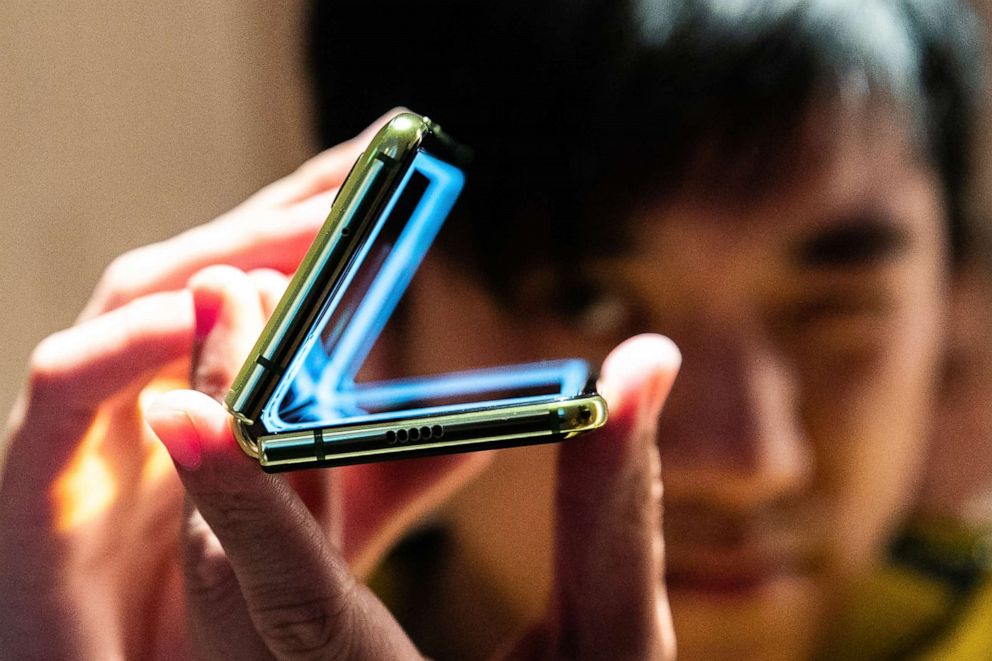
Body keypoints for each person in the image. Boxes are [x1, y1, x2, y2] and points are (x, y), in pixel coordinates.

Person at [0, 2, 987, 661]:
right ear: (380, 302)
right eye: (587, 297)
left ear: (954, 303)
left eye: (834, 310)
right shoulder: (187, 627)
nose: (745, 460)